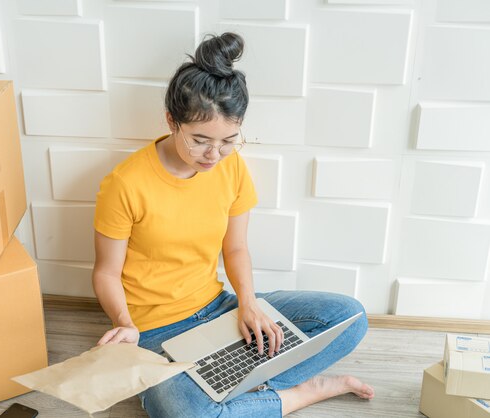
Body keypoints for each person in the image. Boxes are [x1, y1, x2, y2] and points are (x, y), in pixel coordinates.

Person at [92, 32, 374, 417]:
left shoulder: (232, 168)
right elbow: (106, 273)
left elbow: (235, 248)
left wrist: (248, 303)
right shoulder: (124, 184)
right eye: (200, 140)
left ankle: (234, 388)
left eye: (228, 140)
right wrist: (125, 324)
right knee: (180, 410)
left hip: (219, 309)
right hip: (154, 331)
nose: (214, 155)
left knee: (350, 317)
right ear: (171, 121)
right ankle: (299, 394)